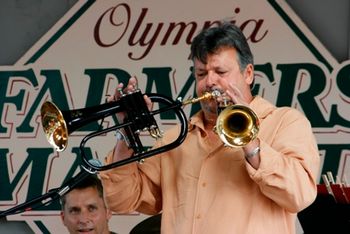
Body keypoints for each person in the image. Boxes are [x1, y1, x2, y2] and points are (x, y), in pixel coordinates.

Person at [99, 22, 320, 234]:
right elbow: (122, 200)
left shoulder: (286, 122)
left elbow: (299, 196)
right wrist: (126, 130)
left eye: (221, 72)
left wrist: (249, 140)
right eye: (201, 74)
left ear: (248, 73)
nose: (210, 82)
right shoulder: (176, 139)